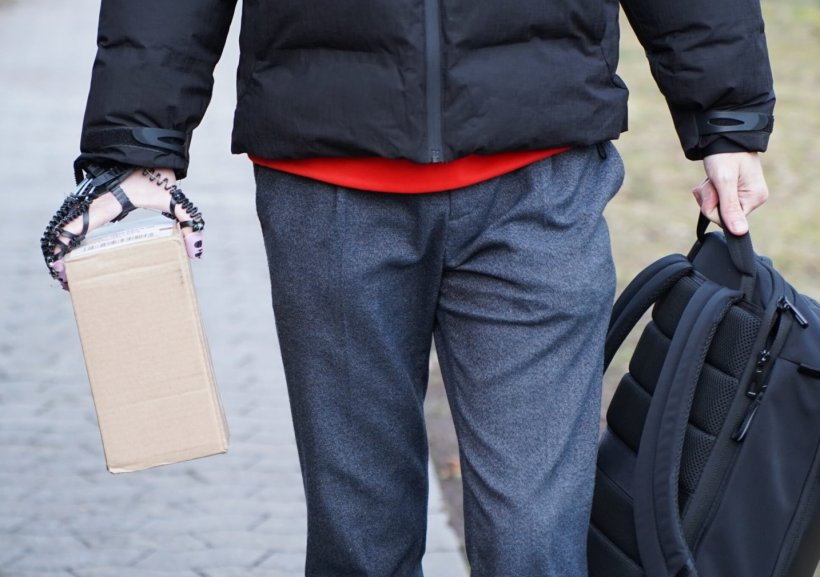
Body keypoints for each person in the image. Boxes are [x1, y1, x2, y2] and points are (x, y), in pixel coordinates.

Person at [45, 1, 774, 575]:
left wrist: (726, 117)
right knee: (361, 539)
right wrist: (136, 144)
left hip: (540, 179)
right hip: (325, 185)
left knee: (533, 542)